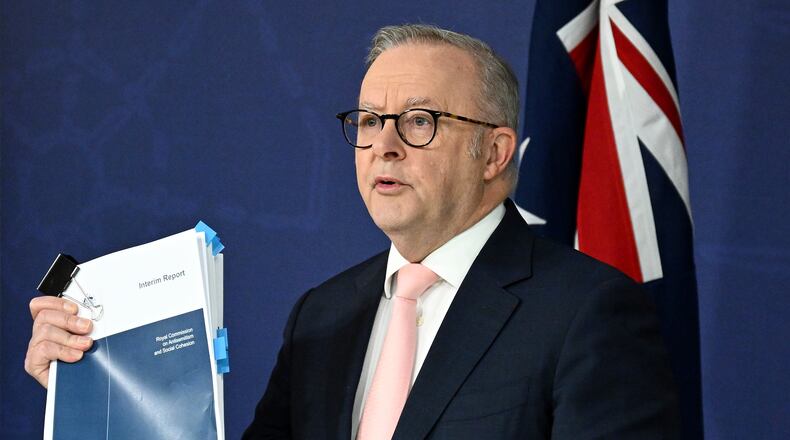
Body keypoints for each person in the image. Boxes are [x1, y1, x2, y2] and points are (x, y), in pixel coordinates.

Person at [25, 24, 680, 439]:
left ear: (495, 152)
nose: (384, 145)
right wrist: (97, 388)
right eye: (368, 121)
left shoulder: (587, 312)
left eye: (419, 120)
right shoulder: (323, 316)